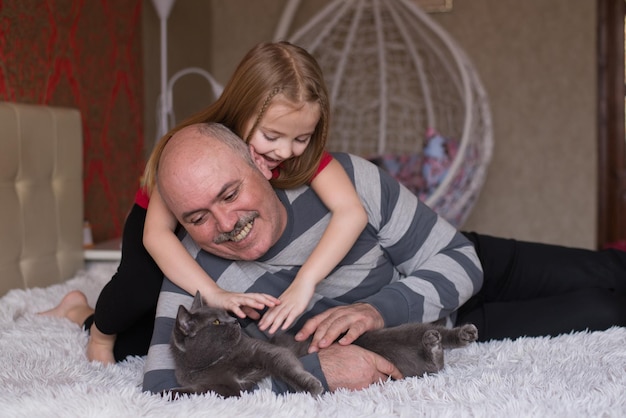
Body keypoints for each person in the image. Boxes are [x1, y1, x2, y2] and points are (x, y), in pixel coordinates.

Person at [40, 41, 368, 363]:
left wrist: (304, 283)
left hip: (217, 230)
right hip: (159, 222)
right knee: (141, 287)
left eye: (301, 138)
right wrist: (214, 293)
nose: (284, 152)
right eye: (271, 137)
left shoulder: (303, 157)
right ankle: (98, 331)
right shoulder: (195, 148)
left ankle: (77, 310)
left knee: (153, 339)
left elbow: (351, 212)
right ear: (242, 113)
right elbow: (155, 236)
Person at [143, 122, 484, 394]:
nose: (228, 224)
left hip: (454, 300)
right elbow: (165, 389)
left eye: (230, 194)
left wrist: (378, 310)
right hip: (439, 337)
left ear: (259, 162)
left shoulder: (349, 182)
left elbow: (461, 259)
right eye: (198, 218)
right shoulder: (191, 266)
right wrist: (312, 372)